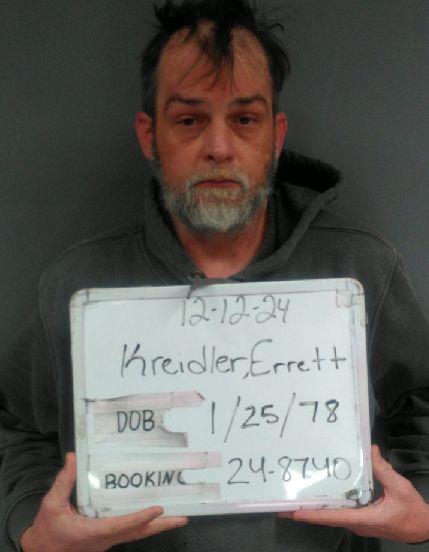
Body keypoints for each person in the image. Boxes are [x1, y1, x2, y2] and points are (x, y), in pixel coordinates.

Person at [1, 0, 429, 551]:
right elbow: (15, 425)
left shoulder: (360, 267)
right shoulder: (76, 284)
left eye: (245, 119)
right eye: (189, 120)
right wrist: (31, 529)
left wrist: (424, 506)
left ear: (275, 136)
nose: (219, 148)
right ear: (149, 135)